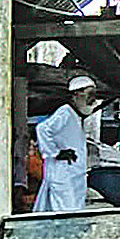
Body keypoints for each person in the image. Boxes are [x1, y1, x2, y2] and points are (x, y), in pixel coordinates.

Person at [33, 75, 99, 213]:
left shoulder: (76, 116)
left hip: (74, 175)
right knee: (65, 212)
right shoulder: (65, 112)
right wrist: (56, 153)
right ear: (77, 94)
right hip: (64, 175)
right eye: (90, 94)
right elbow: (42, 129)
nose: (92, 99)